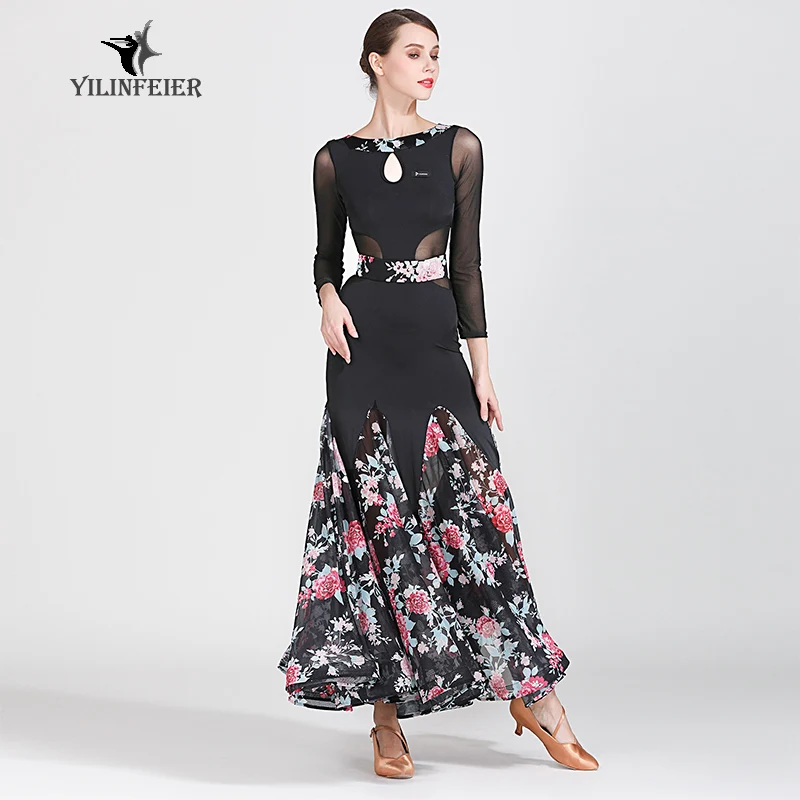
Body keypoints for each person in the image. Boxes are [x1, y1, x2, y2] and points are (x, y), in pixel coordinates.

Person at [277, 8, 599, 778]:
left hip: (433, 346)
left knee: (482, 520)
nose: (430, 68)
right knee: (377, 530)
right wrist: (326, 295)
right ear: (376, 61)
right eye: (415, 54)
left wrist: (481, 368)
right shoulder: (334, 159)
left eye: (436, 56)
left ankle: (536, 696)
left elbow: (467, 265)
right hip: (361, 354)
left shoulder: (459, 147)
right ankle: (387, 721)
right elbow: (324, 254)